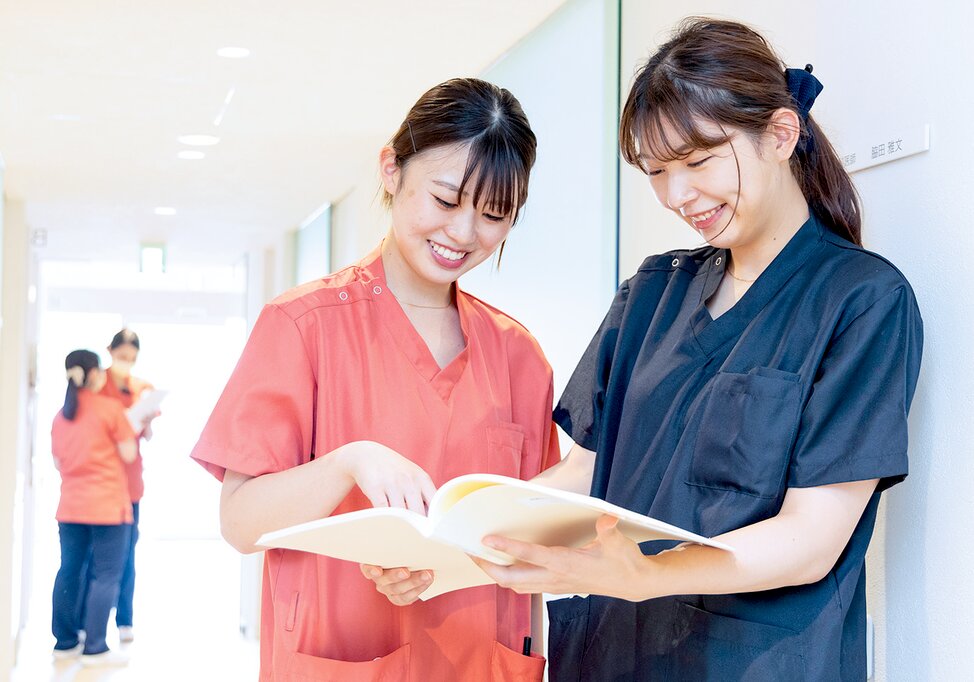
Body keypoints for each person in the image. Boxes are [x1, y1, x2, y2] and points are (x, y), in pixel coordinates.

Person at [471, 18, 923, 681]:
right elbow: (585, 472)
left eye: (698, 160)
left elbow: (811, 540)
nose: (677, 196)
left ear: (780, 134)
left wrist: (650, 574)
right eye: (657, 171)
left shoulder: (860, 301)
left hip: (753, 662)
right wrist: (460, 533)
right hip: (616, 652)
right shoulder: (652, 291)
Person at [191, 77, 560, 681]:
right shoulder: (303, 326)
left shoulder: (519, 356)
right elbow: (240, 523)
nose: (465, 234)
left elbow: (533, 545)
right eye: (444, 201)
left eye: (495, 215)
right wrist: (348, 463)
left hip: (483, 663)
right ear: (392, 169)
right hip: (342, 660)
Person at [51, 349, 137, 666]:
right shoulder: (110, 409)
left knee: (70, 570)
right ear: (93, 374)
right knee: (106, 576)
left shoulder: (61, 416)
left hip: (71, 507)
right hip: (107, 508)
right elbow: (129, 454)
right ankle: (96, 647)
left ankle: (65, 641)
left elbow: (58, 461)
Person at [93, 328, 155, 644]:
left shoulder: (142, 388)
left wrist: (144, 423)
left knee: (127, 554)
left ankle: (125, 620)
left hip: (129, 484)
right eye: (121, 357)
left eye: (131, 359)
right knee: (98, 558)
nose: (126, 363)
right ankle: (91, 626)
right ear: (110, 350)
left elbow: (147, 433)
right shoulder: (96, 385)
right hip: (99, 483)